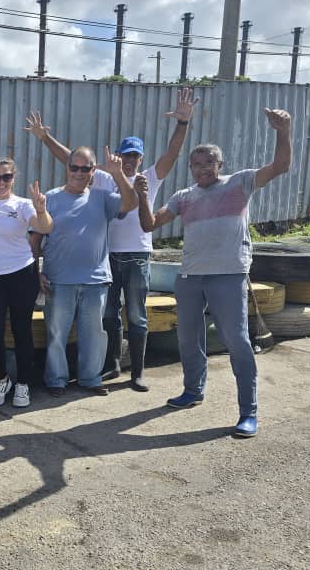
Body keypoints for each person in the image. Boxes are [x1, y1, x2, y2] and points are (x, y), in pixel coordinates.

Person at [25, 87, 198, 391]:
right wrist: (45, 138)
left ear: (140, 158)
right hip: (103, 261)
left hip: (133, 256)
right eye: (125, 155)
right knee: (106, 319)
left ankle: (134, 373)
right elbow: (72, 159)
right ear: (117, 156)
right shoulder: (99, 178)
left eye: (134, 156)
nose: (129, 161)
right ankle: (110, 366)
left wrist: (182, 123)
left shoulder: (143, 178)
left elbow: (170, 156)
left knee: (134, 316)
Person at [138, 108, 293, 438]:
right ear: (190, 168)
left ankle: (248, 412)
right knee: (187, 338)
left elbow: (280, 166)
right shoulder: (183, 197)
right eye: (197, 164)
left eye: (209, 162)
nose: (203, 168)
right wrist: (140, 194)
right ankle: (193, 390)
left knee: (236, 340)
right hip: (190, 277)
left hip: (228, 275)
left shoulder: (240, 183)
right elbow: (149, 224)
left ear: (220, 165)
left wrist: (283, 131)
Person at [40, 146, 138, 396]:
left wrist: (118, 174)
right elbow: (34, 237)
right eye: (75, 167)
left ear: (93, 170)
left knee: (94, 334)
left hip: (95, 280)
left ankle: (90, 378)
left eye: (85, 168)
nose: (79, 173)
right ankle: (56, 380)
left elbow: (131, 203)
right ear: (67, 167)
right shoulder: (50, 197)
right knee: (56, 334)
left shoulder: (103, 197)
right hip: (59, 280)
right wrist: (36, 271)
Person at [0, 159, 52, 408]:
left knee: (22, 331)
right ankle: (1, 379)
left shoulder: (23, 204)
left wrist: (41, 210)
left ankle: (23, 384)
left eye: (7, 177)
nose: (1, 182)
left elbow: (45, 226)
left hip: (22, 274)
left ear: (13, 179)